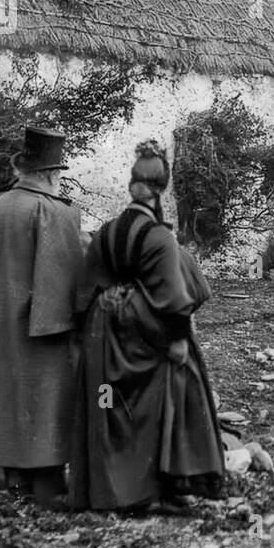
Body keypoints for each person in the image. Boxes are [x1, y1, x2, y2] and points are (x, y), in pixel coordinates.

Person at [71, 141, 226, 512]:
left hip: (104, 336)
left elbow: (84, 292)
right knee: (182, 384)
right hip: (145, 333)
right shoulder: (159, 238)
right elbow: (173, 300)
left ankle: (107, 491)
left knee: (108, 401)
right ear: (161, 188)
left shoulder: (106, 232)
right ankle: (170, 483)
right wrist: (177, 343)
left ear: (131, 185)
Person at [0, 125, 83, 507]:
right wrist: (76, 319)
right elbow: (70, 275)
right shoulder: (55, 211)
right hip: (42, 325)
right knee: (45, 401)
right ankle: (45, 482)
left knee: (0, 395)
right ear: (51, 175)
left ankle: (1, 476)